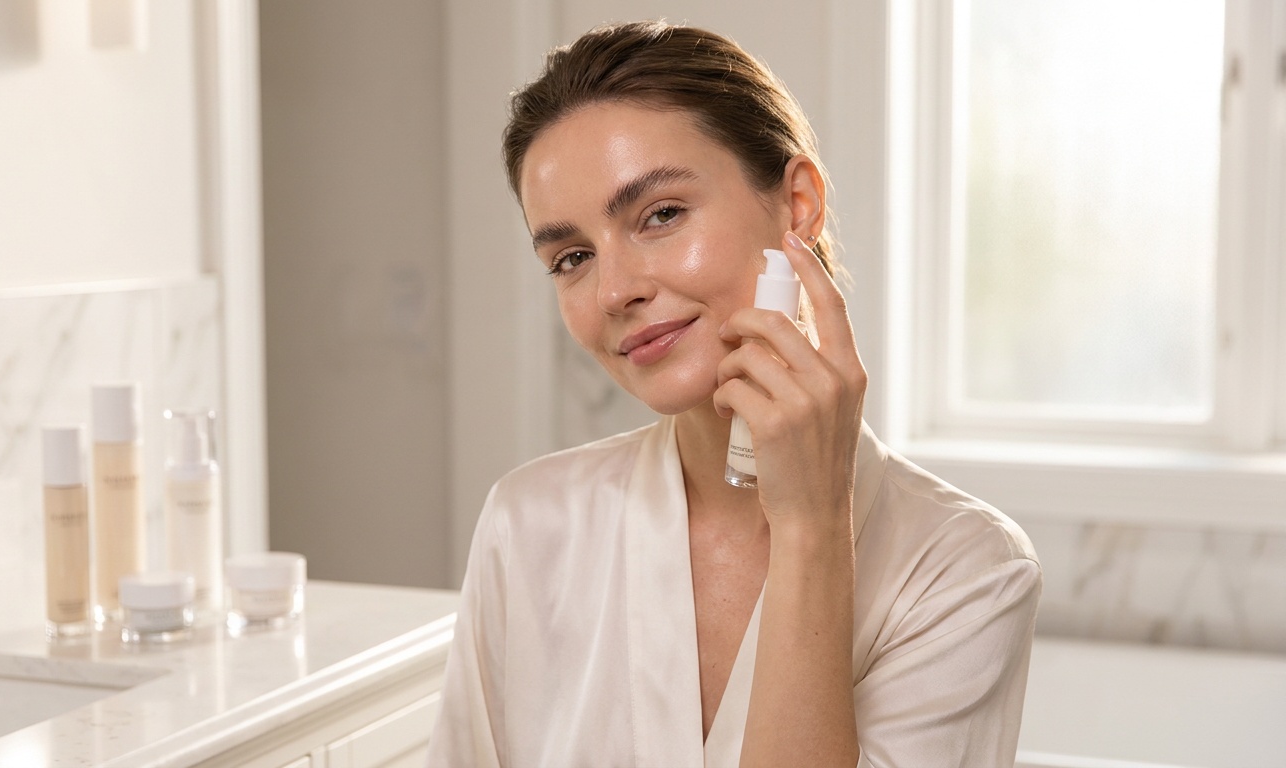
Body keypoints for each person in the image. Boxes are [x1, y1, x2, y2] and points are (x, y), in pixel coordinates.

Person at [427, 20, 1040, 768]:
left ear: (797, 207)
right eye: (573, 257)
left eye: (661, 215)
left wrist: (812, 527)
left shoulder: (964, 570)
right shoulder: (529, 524)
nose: (615, 290)